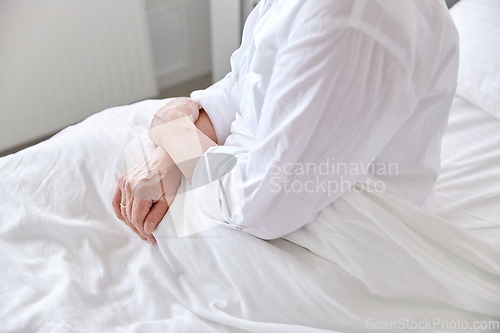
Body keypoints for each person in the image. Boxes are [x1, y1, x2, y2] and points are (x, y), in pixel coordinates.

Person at [112, 0, 459, 243]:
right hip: (249, 178)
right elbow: (247, 80)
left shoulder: (353, 18)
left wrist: (175, 134)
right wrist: (173, 152)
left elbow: (262, 208)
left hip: (336, 232)